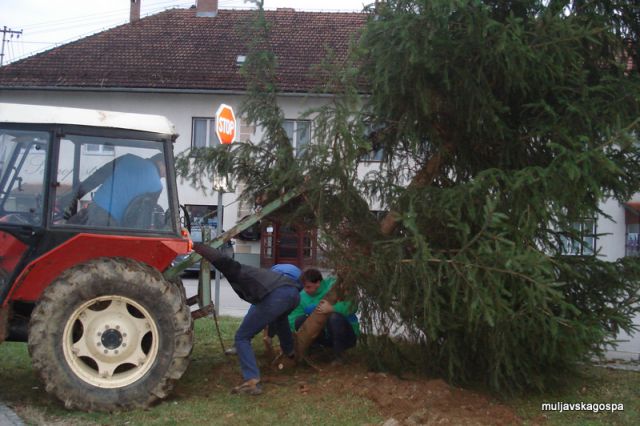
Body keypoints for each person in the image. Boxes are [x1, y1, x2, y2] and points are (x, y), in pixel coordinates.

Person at [193, 243, 302, 395]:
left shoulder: (237, 270)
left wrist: (196, 246)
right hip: (294, 294)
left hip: (278, 296)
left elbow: (220, 259)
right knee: (281, 318)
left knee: (242, 337)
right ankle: (290, 352)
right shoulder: (251, 273)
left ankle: (252, 380)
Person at [288, 268, 359, 364]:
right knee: (299, 320)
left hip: (346, 334)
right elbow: (293, 319)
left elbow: (352, 306)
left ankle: (340, 355)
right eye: (304, 287)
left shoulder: (336, 286)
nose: (305, 290)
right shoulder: (301, 297)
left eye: (308, 287)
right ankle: (316, 350)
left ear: (318, 283)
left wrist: (332, 308)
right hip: (325, 335)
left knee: (334, 317)